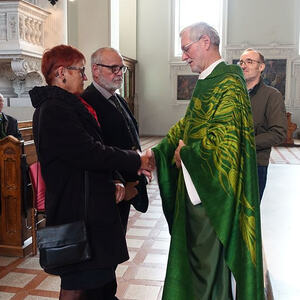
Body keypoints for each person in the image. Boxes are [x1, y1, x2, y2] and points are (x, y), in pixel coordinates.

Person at [29, 45, 153, 300]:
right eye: (80, 71)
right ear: (62, 72)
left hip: (89, 206)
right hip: (77, 210)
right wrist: (135, 159)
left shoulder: (65, 106)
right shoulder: (54, 109)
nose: (84, 77)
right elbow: (90, 152)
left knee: (95, 279)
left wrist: (116, 177)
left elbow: (92, 152)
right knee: (77, 283)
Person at [150, 22, 264, 299]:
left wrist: (185, 154)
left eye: (186, 49)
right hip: (194, 189)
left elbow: (226, 143)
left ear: (205, 42)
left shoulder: (229, 80)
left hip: (212, 195)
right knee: (193, 259)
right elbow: (188, 125)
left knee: (208, 261)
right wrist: (156, 152)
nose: (183, 56)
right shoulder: (208, 80)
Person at [82, 47, 148, 231]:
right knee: (106, 247)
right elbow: (97, 148)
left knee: (118, 241)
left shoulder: (117, 98)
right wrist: (118, 181)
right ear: (96, 70)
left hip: (129, 184)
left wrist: (138, 166)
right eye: (113, 69)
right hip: (110, 188)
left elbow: (129, 137)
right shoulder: (87, 102)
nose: (119, 74)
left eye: (121, 69)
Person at [239, 48, 287, 200]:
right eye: (241, 62)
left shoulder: (272, 95)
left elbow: (278, 133)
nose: (243, 65)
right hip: (228, 161)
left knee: (248, 216)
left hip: (255, 164)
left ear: (261, 67)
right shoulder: (232, 94)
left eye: (249, 61)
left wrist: (243, 143)